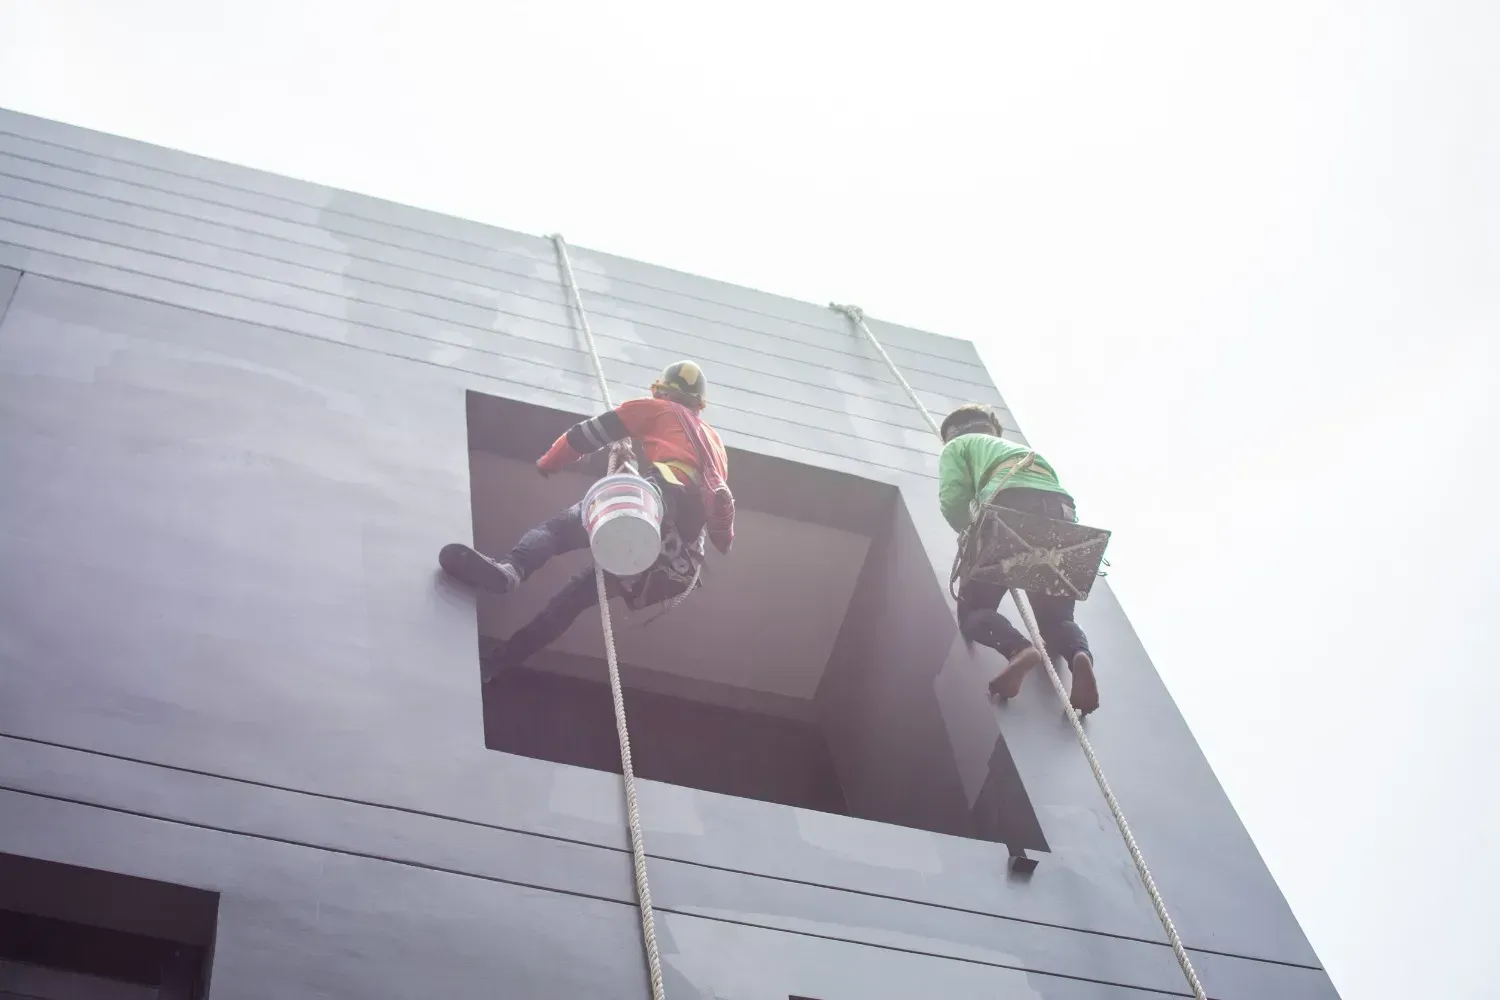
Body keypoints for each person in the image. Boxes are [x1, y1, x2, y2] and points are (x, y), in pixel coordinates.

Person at [439, 361, 734, 678]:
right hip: (674, 556)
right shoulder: (715, 445)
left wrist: (550, 462)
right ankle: (497, 663)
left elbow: (585, 435)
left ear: (663, 391)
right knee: (571, 601)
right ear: (698, 403)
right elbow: (716, 524)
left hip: (656, 502)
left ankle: (511, 571)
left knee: (556, 532)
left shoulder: (658, 410)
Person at [939, 403, 1099, 715]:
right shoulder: (1025, 452)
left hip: (1010, 504)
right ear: (991, 430)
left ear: (953, 434)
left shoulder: (958, 446)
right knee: (1057, 619)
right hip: (1061, 514)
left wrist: (970, 536)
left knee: (975, 612)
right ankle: (1080, 655)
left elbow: (953, 499)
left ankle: (1020, 650)